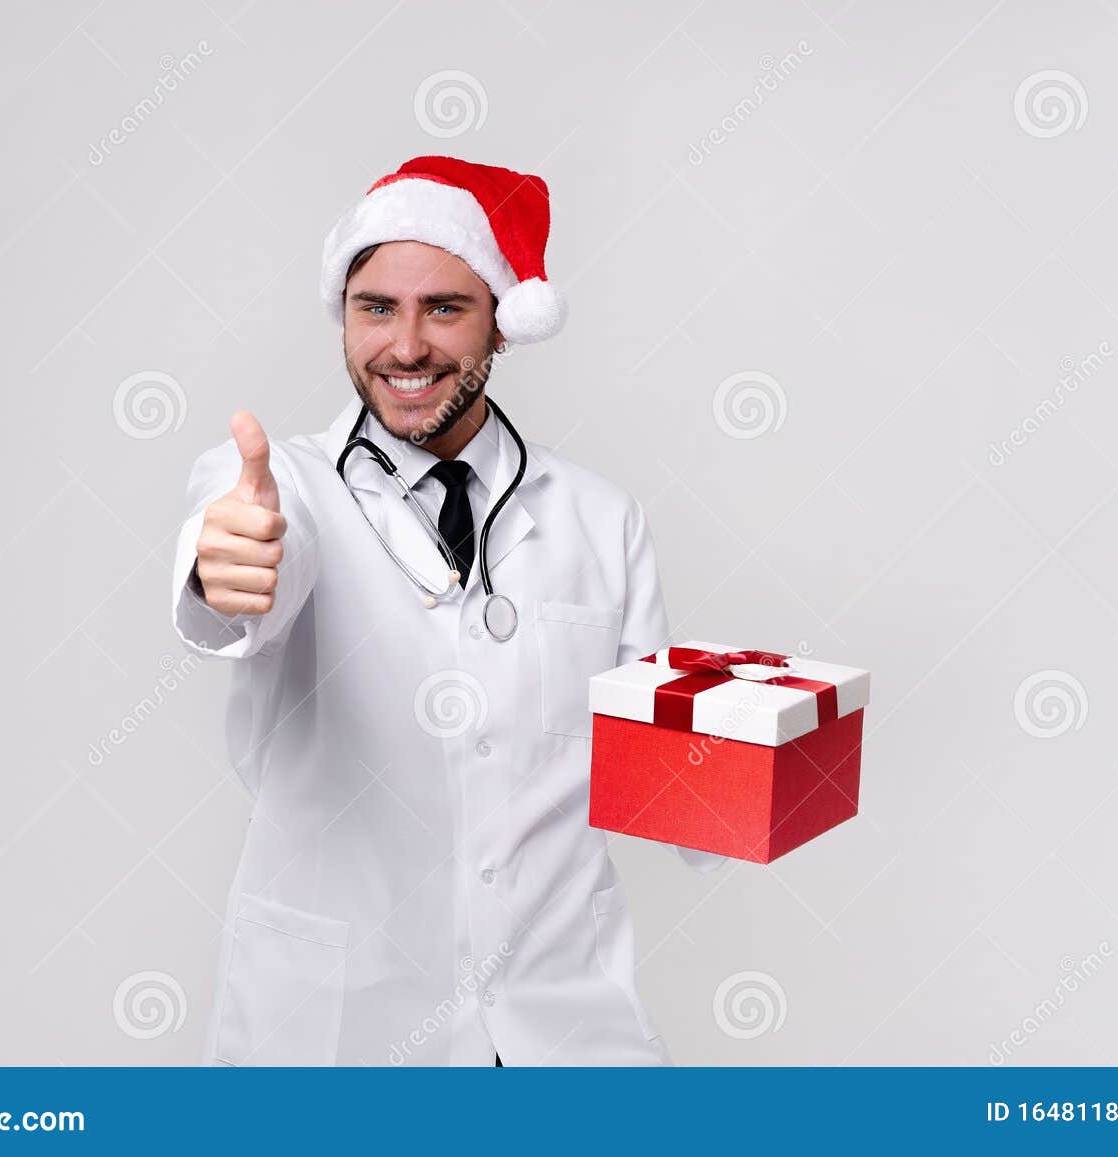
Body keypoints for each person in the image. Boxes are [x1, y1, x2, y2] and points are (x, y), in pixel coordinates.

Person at [171, 155, 724, 1067]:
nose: (407, 346)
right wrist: (225, 566)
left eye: (445, 308)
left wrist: (765, 748)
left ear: (503, 324)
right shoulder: (287, 491)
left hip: (559, 1026)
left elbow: (656, 779)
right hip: (344, 1027)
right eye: (376, 307)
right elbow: (236, 575)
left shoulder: (597, 515)